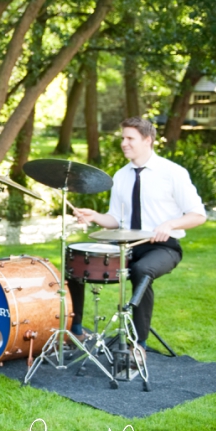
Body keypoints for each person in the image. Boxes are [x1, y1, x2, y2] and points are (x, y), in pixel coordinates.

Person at [70, 117, 206, 357]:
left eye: (130, 138)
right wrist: (95, 216)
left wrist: (170, 223)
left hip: (164, 247)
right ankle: (76, 331)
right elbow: (115, 219)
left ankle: (139, 345)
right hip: (127, 244)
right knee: (78, 260)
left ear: (147, 140)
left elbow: (198, 215)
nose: (124, 143)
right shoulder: (121, 176)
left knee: (141, 271)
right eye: (122, 138)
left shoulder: (172, 172)